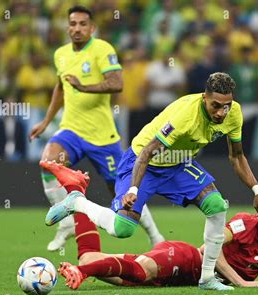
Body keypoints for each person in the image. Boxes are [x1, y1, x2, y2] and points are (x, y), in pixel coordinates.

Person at [43, 72, 258, 292]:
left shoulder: (234, 114)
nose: (221, 112)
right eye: (216, 105)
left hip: (177, 163)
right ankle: (77, 202)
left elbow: (237, 156)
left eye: (226, 105)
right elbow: (147, 153)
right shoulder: (185, 117)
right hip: (142, 162)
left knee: (217, 205)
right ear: (204, 97)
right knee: (122, 229)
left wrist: (257, 190)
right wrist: (133, 189)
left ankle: (207, 277)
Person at [40, 163, 258, 289]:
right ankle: (80, 270)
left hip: (186, 280)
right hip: (187, 260)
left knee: (96, 263)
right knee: (136, 272)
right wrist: (243, 283)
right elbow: (211, 247)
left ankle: (76, 192)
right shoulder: (244, 224)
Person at [29, 5, 164, 251]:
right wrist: (47, 121)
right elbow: (61, 87)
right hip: (71, 130)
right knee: (49, 162)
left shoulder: (102, 49)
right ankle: (68, 222)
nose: (77, 28)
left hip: (103, 138)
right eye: (73, 23)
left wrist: (84, 87)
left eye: (83, 24)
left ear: (92, 28)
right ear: (67, 27)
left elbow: (117, 83)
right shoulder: (61, 54)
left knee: (123, 192)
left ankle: (155, 236)